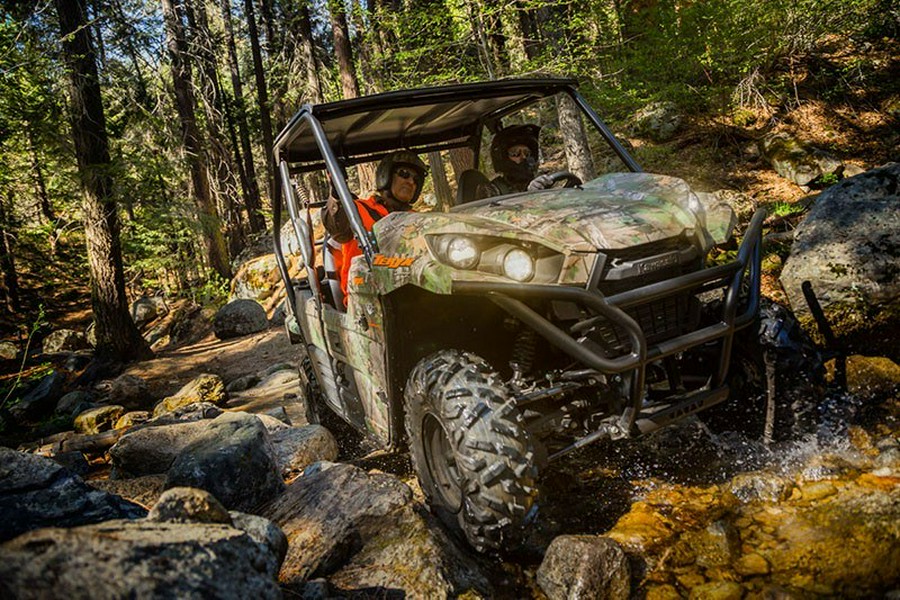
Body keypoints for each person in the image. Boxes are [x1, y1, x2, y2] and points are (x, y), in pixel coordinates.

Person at [323, 150, 428, 302]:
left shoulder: (418, 218)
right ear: (386, 176)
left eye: (416, 179)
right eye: (404, 174)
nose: (411, 182)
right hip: (365, 296)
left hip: (414, 291)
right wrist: (337, 194)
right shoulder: (356, 209)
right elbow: (338, 229)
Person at [481, 124, 554, 197]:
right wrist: (530, 196)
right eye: (515, 153)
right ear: (503, 158)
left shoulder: (540, 181)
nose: (523, 157)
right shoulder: (492, 189)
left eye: (527, 153)